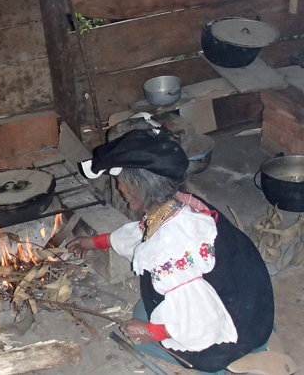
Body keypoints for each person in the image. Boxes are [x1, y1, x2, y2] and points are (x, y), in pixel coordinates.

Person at [68, 129, 296, 375]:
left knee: (141, 316)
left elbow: (199, 324)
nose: (120, 187)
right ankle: (256, 342)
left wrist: (150, 331)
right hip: (254, 312)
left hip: (228, 336)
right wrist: (96, 241)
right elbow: (143, 233)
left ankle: (233, 362)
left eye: (123, 180)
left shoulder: (170, 246)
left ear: (140, 186)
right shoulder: (179, 204)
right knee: (149, 308)